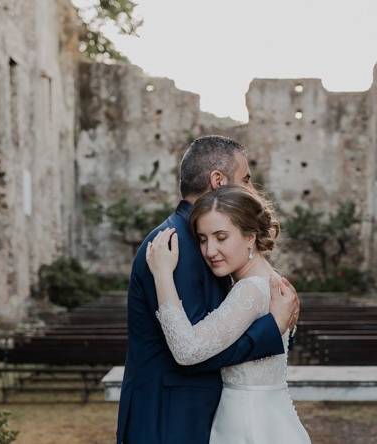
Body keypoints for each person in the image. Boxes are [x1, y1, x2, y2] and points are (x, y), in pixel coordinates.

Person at [116, 136, 300, 444]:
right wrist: (270, 331)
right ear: (218, 180)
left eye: (219, 237)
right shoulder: (175, 247)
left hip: (212, 417)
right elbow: (189, 352)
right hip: (169, 418)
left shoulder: (211, 251)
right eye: (245, 179)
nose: (250, 190)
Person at [146, 185, 311, 444]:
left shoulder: (251, 289)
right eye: (203, 239)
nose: (210, 250)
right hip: (268, 412)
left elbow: (187, 350)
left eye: (221, 237)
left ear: (250, 236)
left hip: (248, 420)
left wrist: (162, 275)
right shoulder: (270, 280)